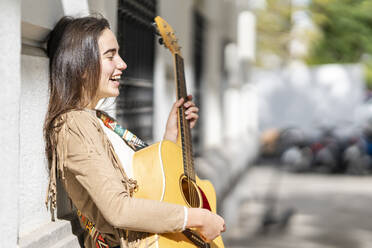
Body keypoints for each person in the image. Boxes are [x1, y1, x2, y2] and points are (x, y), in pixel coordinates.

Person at [44, 15, 225, 248]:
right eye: (110, 56)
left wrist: (171, 136)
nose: (122, 64)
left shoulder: (100, 119)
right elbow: (118, 209)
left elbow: (144, 185)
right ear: (80, 65)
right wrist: (198, 218)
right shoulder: (73, 124)